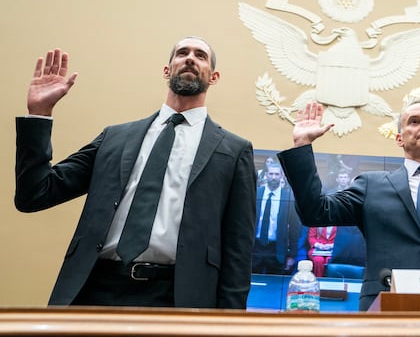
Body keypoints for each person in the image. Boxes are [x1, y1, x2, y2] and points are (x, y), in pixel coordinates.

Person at [14, 39, 257, 309]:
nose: (190, 58)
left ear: (214, 76)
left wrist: (229, 319)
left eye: (200, 55)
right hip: (94, 290)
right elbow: (35, 194)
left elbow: (239, 247)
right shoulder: (115, 138)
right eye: (182, 53)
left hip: (178, 297)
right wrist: (39, 114)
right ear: (167, 70)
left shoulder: (233, 151)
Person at [277, 100, 420, 311]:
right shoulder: (371, 185)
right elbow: (315, 212)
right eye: (414, 122)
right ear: (399, 139)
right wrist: (302, 144)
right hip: (385, 305)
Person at [252, 160, 301, 275]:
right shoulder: (256, 194)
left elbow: (294, 229)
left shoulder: (289, 197)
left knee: (274, 288)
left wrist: (292, 256)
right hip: (255, 248)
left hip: (277, 250)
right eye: (271, 174)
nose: (273, 177)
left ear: (281, 176)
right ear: (266, 175)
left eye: (276, 174)